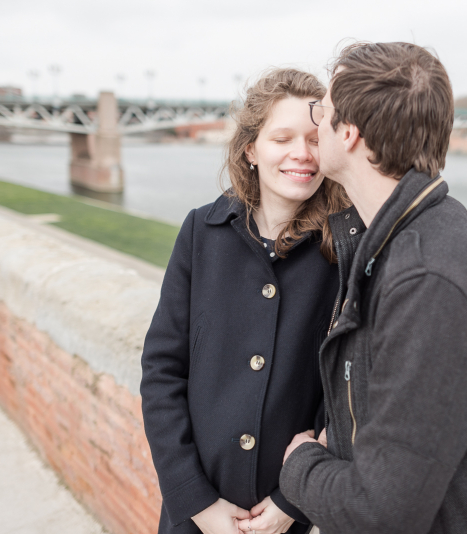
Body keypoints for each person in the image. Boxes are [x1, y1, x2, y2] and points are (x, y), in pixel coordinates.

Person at [279, 42, 467, 533]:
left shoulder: (429, 280)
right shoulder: (400, 238)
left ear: (349, 133)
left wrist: (301, 465)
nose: (316, 124)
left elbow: (383, 514)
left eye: (323, 111)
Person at [141, 68, 349, 534]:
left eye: (316, 140)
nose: (302, 153)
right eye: (283, 138)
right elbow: (161, 372)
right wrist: (196, 502)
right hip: (196, 516)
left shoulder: (343, 251)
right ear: (251, 149)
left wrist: (292, 502)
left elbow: (344, 397)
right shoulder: (201, 232)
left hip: (290, 517)